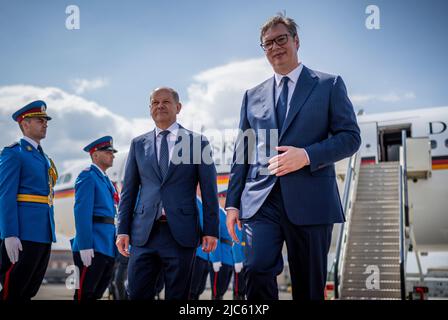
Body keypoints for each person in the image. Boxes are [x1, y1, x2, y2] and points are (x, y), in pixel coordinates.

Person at [225, 14, 361, 300]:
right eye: (267, 44)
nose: (275, 47)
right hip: (262, 199)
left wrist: (307, 155)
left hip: (311, 199)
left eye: (281, 39)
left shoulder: (328, 85)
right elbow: (244, 152)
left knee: (309, 286)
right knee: (257, 267)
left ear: (296, 41)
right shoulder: (252, 95)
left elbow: (350, 138)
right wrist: (233, 205)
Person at [116, 87, 219, 300]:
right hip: (144, 233)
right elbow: (129, 192)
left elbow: (209, 191)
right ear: (150, 109)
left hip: (181, 233)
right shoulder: (138, 144)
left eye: (165, 102)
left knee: (178, 295)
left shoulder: (198, 143)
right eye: (155, 102)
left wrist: (211, 230)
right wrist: (122, 230)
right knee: (136, 293)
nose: (160, 106)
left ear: (178, 107)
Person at [0, 100, 58, 300]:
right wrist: (9, 233)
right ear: (25, 124)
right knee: (13, 290)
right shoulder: (14, 153)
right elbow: (5, 195)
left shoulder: (45, 158)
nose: (45, 124)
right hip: (23, 233)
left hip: (43, 233)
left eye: (45, 120)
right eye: (40, 120)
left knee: (29, 291)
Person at [71, 136, 119, 300]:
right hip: (92, 246)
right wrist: (85, 244)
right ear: (95, 155)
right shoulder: (88, 176)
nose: (112, 155)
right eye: (108, 152)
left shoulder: (106, 181)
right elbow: (81, 212)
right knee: (84, 293)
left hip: (106, 246)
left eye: (112, 152)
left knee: (96, 294)